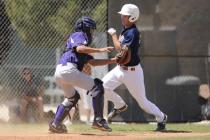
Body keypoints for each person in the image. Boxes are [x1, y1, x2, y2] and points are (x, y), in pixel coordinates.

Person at [103, 4, 167, 131]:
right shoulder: (126, 29)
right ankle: (119, 105)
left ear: (132, 17)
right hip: (120, 69)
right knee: (101, 88)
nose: (122, 17)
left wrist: (114, 35)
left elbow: (120, 49)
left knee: (143, 103)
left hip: (132, 73)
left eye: (125, 15)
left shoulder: (133, 32)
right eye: (122, 15)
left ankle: (161, 117)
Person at [49, 16, 117, 133]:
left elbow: (93, 63)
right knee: (97, 87)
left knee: (73, 97)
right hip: (69, 70)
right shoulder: (79, 34)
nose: (92, 32)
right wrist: (100, 50)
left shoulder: (81, 44)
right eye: (90, 29)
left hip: (61, 72)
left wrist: (113, 60)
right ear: (85, 28)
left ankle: (55, 123)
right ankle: (98, 120)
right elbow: (80, 49)